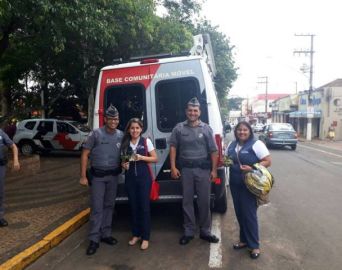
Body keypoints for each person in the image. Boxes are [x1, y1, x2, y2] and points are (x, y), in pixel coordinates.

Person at [169, 97, 219, 245]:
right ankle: (189, 231)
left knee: (204, 201)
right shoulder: (178, 128)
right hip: (186, 170)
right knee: (187, 201)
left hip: (203, 170)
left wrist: (214, 170)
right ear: (186, 111)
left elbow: (213, 151)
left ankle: (205, 231)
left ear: (200, 112)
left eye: (195, 110)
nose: (192, 113)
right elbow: (173, 147)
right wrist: (173, 167)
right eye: (190, 110)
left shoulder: (206, 128)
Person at [80, 104, 123, 255]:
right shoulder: (95, 134)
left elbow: (127, 152)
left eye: (116, 119)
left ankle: (106, 234)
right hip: (98, 177)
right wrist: (83, 176)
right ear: (105, 119)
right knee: (97, 208)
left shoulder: (120, 135)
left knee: (109, 205)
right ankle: (94, 239)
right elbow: (85, 154)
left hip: (113, 176)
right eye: (110, 119)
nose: (113, 121)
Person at [225, 121, 271, 259]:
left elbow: (268, 161)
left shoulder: (256, 144)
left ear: (250, 131)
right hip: (235, 183)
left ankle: (254, 245)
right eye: (239, 130)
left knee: (249, 214)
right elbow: (228, 160)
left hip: (250, 185)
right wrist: (224, 161)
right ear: (236, 131)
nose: (242, 132)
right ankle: (244, 240)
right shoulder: (232, 145)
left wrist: (253, 167)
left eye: (245, 130)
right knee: (239, 213)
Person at [120, 118, 158, 250]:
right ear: (129, 130)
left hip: (144, 178)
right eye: (132, 128)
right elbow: (123, 161)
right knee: (133, 207)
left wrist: (141, 157)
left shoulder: (146, 141)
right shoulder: (125, 143)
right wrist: (124, 165)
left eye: (137, 128)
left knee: (144, 207)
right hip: (130, 178)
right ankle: (136, 234)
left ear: (141, 129)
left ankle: (145, 237)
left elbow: (155, 158)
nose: (134, 130)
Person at [0, 128, 20, 227]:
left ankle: (0, 217)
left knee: (0, 192)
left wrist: (16, 160)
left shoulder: (1, 133)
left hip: (0, 166)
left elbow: (13, 146)